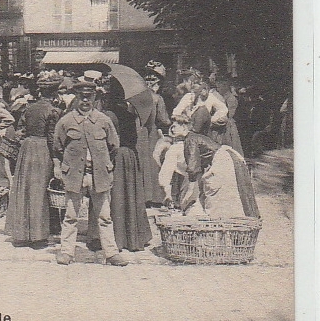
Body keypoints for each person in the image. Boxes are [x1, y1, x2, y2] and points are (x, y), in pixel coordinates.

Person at [52, 79, 130, 267]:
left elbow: (114, 146)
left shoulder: (104, 121)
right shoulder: (66, 121)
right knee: (71, 217)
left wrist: (104, 165)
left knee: (104, 216)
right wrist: (60, 167)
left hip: (99, 176)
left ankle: (111, 253)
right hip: (74, 176)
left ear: (95, 98)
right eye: (82, 97)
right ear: (76, 98)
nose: (85, 101)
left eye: (89, 97)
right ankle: (67, 252)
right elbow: (57, 148)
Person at [159, 109, 260, 221]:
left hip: (222, 161)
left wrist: (187, 197)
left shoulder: (190, 140)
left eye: (176, 125)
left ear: (184, 127)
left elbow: (193, 169)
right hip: (229, 157)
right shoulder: (193, 138)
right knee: (228, 196)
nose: (172, 128)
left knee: (215, 197)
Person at [5, 71, 62, 246]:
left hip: (27, 148)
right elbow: (52, 137)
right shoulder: (53, 111)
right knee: (39, 190)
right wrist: (56, 159)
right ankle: (38, 235)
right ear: (53, 92)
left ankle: (22, 233)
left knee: (25, 189)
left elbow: (20, 129)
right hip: (42, 148)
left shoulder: (29, 108)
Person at [103, 80, 152, 252]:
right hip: (130, 155)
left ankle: (117, 237)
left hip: (117, 156)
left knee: (116, 195)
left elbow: (107, 141)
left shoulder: (108, 115)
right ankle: (133, 236)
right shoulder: (131, 114)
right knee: (130, 196)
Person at [139, 61, 172, 205]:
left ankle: (141, 194)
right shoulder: (158, 99)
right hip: (151, 133)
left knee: (141, 162)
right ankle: (152, 196)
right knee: (153, 162)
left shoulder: (138, 96)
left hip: (139, 133)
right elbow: (163, 120)